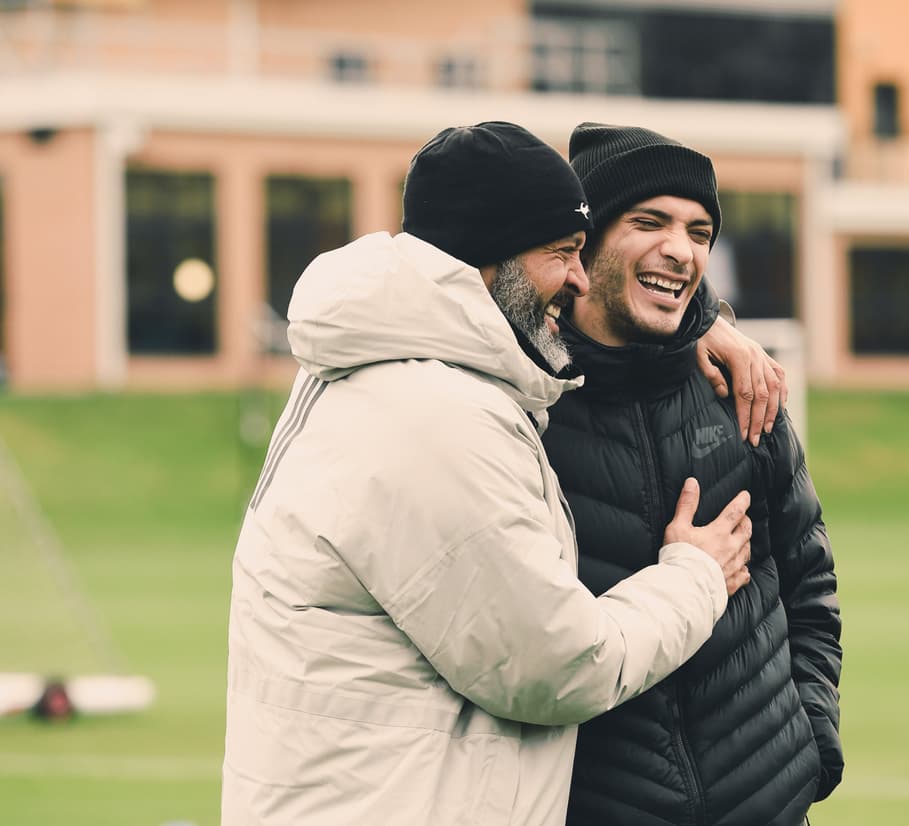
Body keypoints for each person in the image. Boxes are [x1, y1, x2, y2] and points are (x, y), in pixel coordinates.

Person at [221, 122, 782, 826]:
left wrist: (697, 323)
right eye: (563, 253)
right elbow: (558, 665)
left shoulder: (399, 363)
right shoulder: (431, 416)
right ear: (491, 258)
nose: (577, 279)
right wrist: (695, 575)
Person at [542, 122, 843, 826]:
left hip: (771, 805)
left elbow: (810, 582)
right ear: (582, 246)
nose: (680, 250)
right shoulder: (526, 412)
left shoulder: (744, 392)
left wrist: (811, 742)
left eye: (699, 230)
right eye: (650, 222)